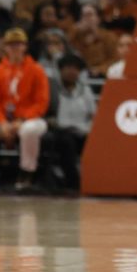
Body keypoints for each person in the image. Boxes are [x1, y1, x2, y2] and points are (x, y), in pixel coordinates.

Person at [0, 28, 50, 191]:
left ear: (25, 47)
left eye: (18, 44)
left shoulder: (36, 70)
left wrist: (22, 120)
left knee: (29, 130)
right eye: (11, 45)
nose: (15, 48)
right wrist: (2, 122)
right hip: (4, 118)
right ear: (5, 48)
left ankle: (26, 173)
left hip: (29, 118)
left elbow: (41, 102)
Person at [45, 54, 96, 189]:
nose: (71, 72)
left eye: (75, 69)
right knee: (66, 142)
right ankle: (73, 182)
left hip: (83, 130)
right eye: (68, 68)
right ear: (61, 70)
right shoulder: (53, 90)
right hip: (61, 130)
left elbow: (93, 114)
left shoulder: (85, 91)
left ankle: (95, 181)